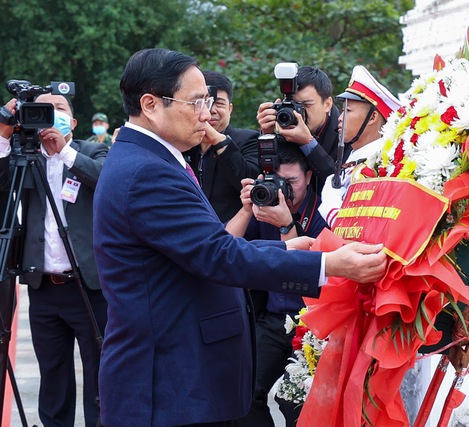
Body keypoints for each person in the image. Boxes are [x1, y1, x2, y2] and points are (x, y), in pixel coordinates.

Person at [92, 47, 387, 427]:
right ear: (150, 104)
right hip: (168, 384)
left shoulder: (152, 159)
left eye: (210, 101)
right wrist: (328, 264)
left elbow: (198, 248)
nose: (207, 114)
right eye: (197, 101)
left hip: (180, 377)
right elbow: (216, 255)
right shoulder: (147, 171)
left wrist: (281, 247)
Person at [0, 96, 108, 427]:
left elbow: (106, 179)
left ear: (73, 123)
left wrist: (64, 152)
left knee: (99, 374)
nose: (52, 114)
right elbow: (3, 187)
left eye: (60, 108)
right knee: (53, 377)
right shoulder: (26, 155)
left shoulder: (92, 151)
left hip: (88, 285)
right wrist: (5, 133)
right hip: (44, 286)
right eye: (45, 108)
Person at [225, 140, 327, 427]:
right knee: (241, 392)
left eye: (292, 181)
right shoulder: (263, 205)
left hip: (312, 323)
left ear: (308, 177)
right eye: (279, 182)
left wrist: (285, 225)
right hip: (272, 319)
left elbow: (305, 270)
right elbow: (220, 251)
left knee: (295, 401)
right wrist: (247, 208)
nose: (284, 191)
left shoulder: (322, 210)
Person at [318, 65, 401, 227]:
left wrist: (331, 202)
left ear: (372, 118)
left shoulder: (384, 167)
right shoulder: (355, 162)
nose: (340, 118)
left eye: (348, 111)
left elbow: (360, 227)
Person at [256, 66, 349, 194]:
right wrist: (267, 136)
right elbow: (264, 176)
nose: (298, 113)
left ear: (327, 104)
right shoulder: (285, 126)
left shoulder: (347, 133)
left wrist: (308, 144)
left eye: (307, 105)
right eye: (294, 105)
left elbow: (341, 185)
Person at [184, 71, 260, 222]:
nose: (211, 110)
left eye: (218, 103)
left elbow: (251, 183)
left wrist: (218, 140)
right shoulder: (184, 144)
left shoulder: (248, 139)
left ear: (230, 109)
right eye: (204, 103)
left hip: (239, 238)